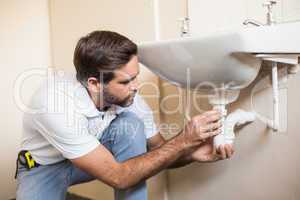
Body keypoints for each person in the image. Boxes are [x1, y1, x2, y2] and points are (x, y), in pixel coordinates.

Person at [16, 30, 234, 200]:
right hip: (44, 167)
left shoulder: (129, 98)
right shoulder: (54, 104)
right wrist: (183, 140)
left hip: (93, 157)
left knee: (131, 125)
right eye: (126, 81)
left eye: (135, 77)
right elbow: (118, 177)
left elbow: (158, 152)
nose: (136, 86)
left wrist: (190, 153)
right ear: (94, 84)